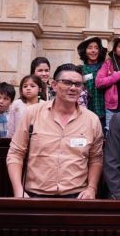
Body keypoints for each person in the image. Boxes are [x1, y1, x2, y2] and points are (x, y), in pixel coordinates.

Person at [7, 64, 103, 199]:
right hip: (35, 195)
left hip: (76, 196)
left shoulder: (92, 120)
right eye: (67, 82)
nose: (73, 88)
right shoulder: (32, 113)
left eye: (77, 84)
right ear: (54, 85)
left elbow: (96, 158)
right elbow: (16, 153)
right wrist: (18, 190)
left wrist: (92, 188)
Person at [77, 36, 108, 128]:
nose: (93, 51)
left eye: (96, 48)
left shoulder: (106, 66)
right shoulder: (80, 69)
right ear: (85, 51)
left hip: (105, 111)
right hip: (86, 111)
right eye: (90, 48)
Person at [7, 74, 44, 139]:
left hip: (38, 141)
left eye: (32, 86)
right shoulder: (17, 104)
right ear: (21, 89)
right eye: (25, 86)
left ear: (39, 89)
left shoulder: (44, 105)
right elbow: (11, 125)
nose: (28, 88)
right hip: (18, 140)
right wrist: (10, 139)